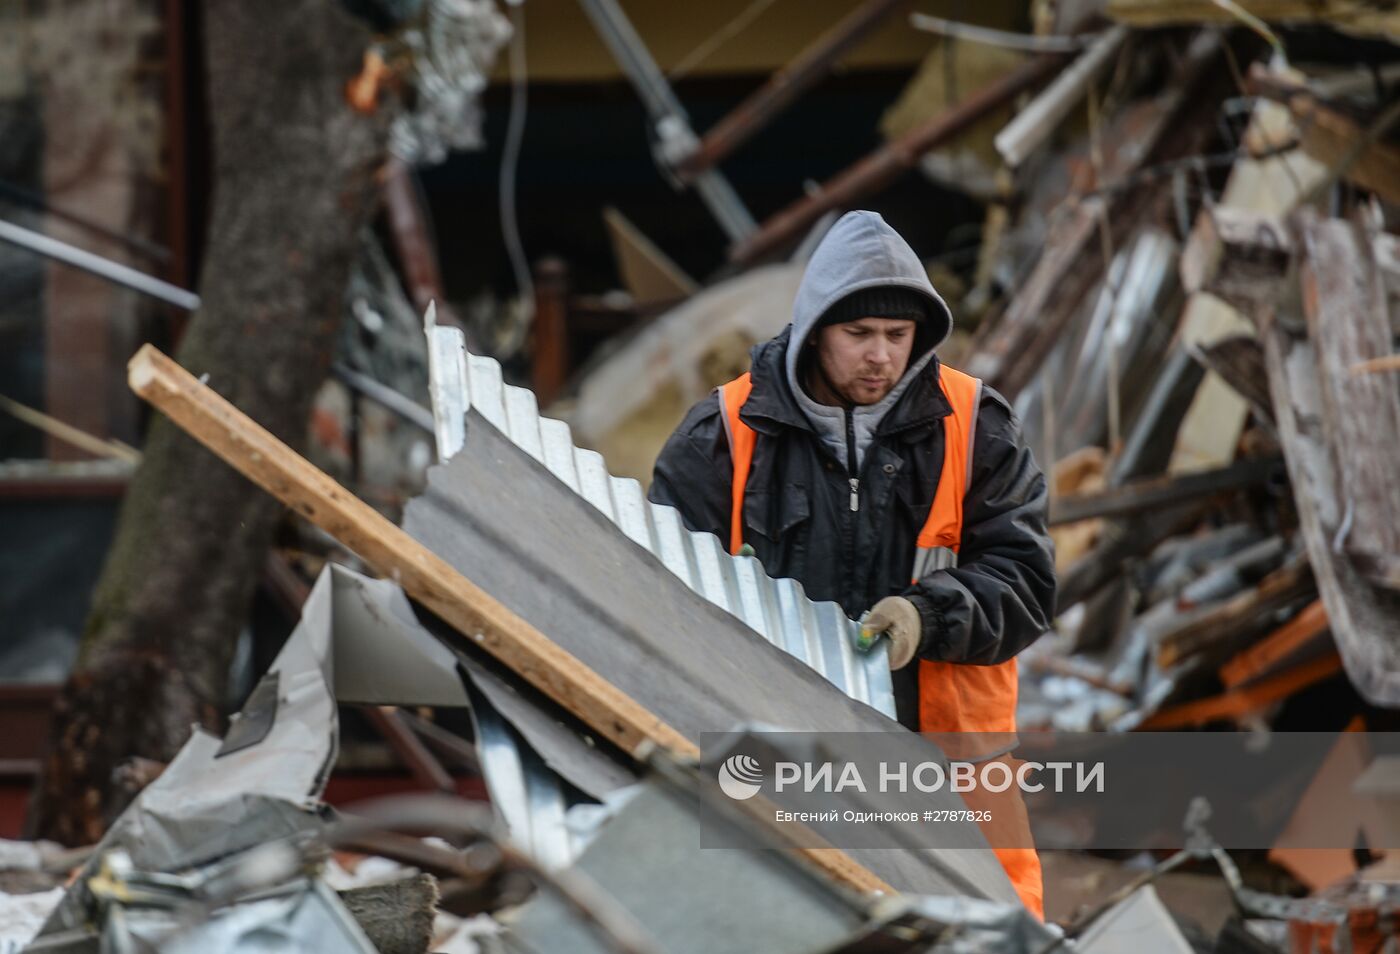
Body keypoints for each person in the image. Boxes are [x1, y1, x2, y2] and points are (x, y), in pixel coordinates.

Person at [648, 210, 1056, 916]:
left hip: (951, 773)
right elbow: (655, 601)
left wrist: (928, 615)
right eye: (859, 334)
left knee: (986, 933)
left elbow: (1026, 581)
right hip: (780, 764)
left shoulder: (975, 425)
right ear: (814, 331)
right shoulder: (723, 435)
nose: (881, 357)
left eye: (898, 336)